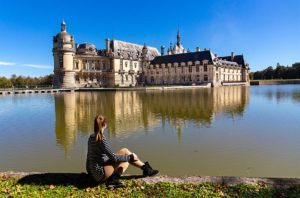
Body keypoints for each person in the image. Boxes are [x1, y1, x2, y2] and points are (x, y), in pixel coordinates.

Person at [86, 115, 159, 189]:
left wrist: (89, 170)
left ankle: (146, 169)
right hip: (99, 174)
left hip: (92, 172)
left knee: (125, 150)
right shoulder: (101, 139)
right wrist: (130, 157)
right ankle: (113, 181)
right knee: (126, 161)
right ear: (105, 125)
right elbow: (114, 158)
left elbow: (93, 156)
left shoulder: (91, 137)